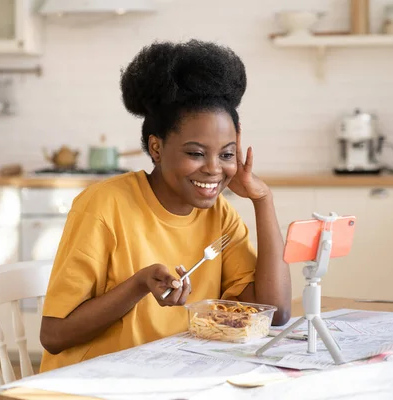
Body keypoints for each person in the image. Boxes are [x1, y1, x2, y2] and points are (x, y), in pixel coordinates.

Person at [39, 39, 291, 372]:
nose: (215, 169)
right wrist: (138, 285)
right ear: (156, 148)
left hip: (173, 376)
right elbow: (54, 335)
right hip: (98, 383)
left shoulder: (220, 215)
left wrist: (263, 200)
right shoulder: (103, 206)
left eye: (227, 154)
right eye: (196, 153)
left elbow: (274, 312)